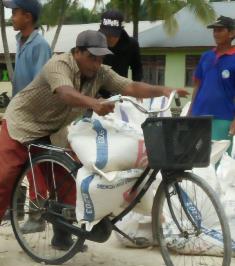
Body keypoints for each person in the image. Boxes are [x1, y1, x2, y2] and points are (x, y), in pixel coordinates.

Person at [0, 30, 189, 250]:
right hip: (22, 124)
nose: (96, 64)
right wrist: (94, 103)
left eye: (101, 58)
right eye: (92, 57)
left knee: (69, 178)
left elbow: (129, 86)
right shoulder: (59, 65)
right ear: (78, 51)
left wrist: (164, 90)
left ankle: (63, 234)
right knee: (4, 177)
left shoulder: (100, 72)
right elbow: (65, 92)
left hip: (53, 129)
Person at [3, 0, 52, 233]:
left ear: (28, 17)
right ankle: (14, 208)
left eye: (15, 13)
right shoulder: (20, 40)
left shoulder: (39, 45)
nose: (12, 17)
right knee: (16, 164)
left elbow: (41, 84)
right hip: (19, 112)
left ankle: (37, 214)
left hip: (32, 116)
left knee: (33, 165)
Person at [189, 15, 235, 156]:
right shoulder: (206, 56)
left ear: (232, 33)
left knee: (218, 161)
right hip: (199, 116)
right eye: (214, 30)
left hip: (223, 118)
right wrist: (190, 111)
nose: (216, 33)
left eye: (220, 30)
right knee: (196, 159)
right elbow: (197, 86)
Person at [99, 9, 142, 98]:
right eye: (106, 34)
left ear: (121, 30)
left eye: (114, 35)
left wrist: (137, 89)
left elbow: (137, 68)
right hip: (96, 96)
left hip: (120, 95)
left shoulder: (131, 45)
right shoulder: (93, 43)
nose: (110, 38)